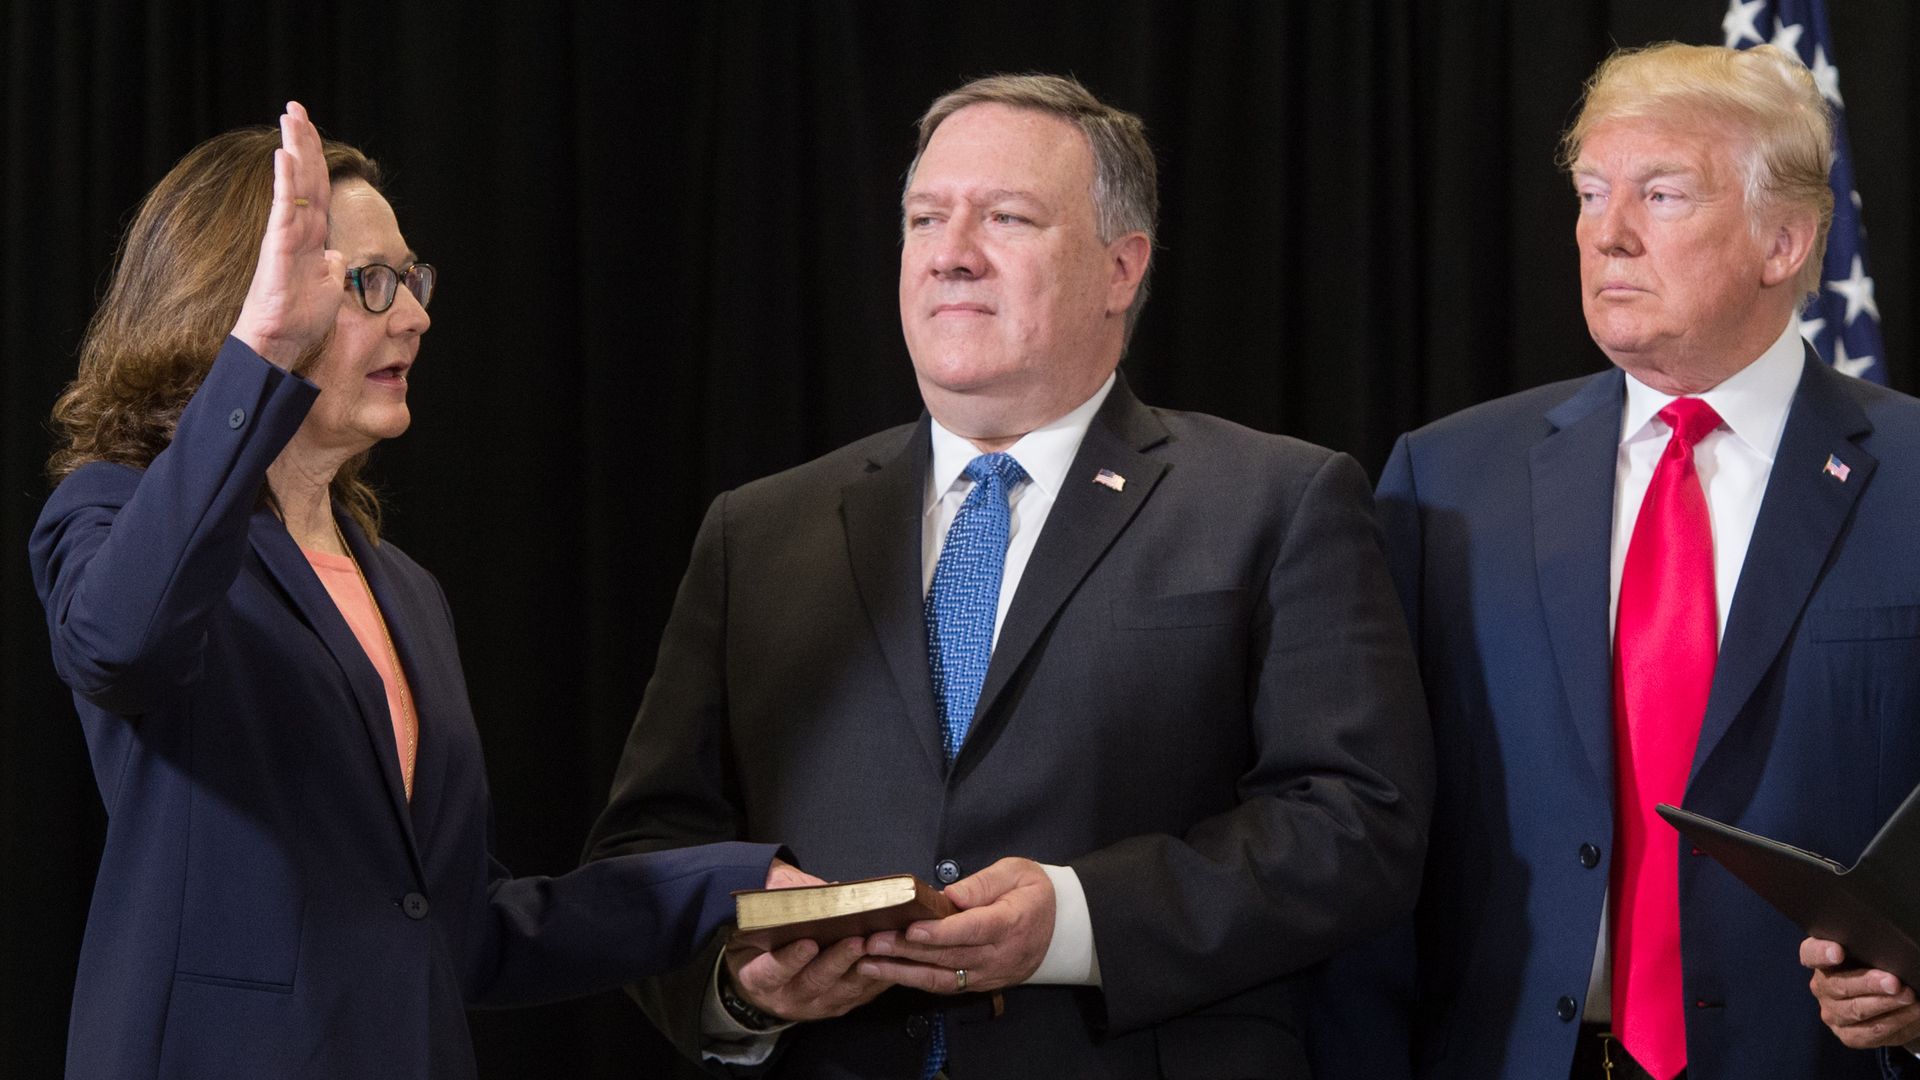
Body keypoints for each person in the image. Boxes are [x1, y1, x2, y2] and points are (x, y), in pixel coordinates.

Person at [582, 73, 1432, 1078]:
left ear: (1122, 269)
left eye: (1008, 218)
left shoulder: (1275, 501)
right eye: (926, 218)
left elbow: (1356, 823)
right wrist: (734, 980)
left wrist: (1076, 922)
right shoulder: (759, 531)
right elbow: (648, 846)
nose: (951, 253)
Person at [28, 103, 788, 1080]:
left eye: (413, 279)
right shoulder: (113, 513)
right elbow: (118, 643)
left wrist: (737, 885)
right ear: (240, 303)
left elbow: (453, 924)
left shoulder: (406, 592)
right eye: (370, 285)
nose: (417, 314)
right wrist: (257, 358)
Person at [1305, 42, 1920, 1080]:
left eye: (1661, 195)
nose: (1607, 234)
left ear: (1784, 240)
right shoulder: (1446, 479)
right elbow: (1372, 828)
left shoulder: (1910, 475)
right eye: (1591, 194)